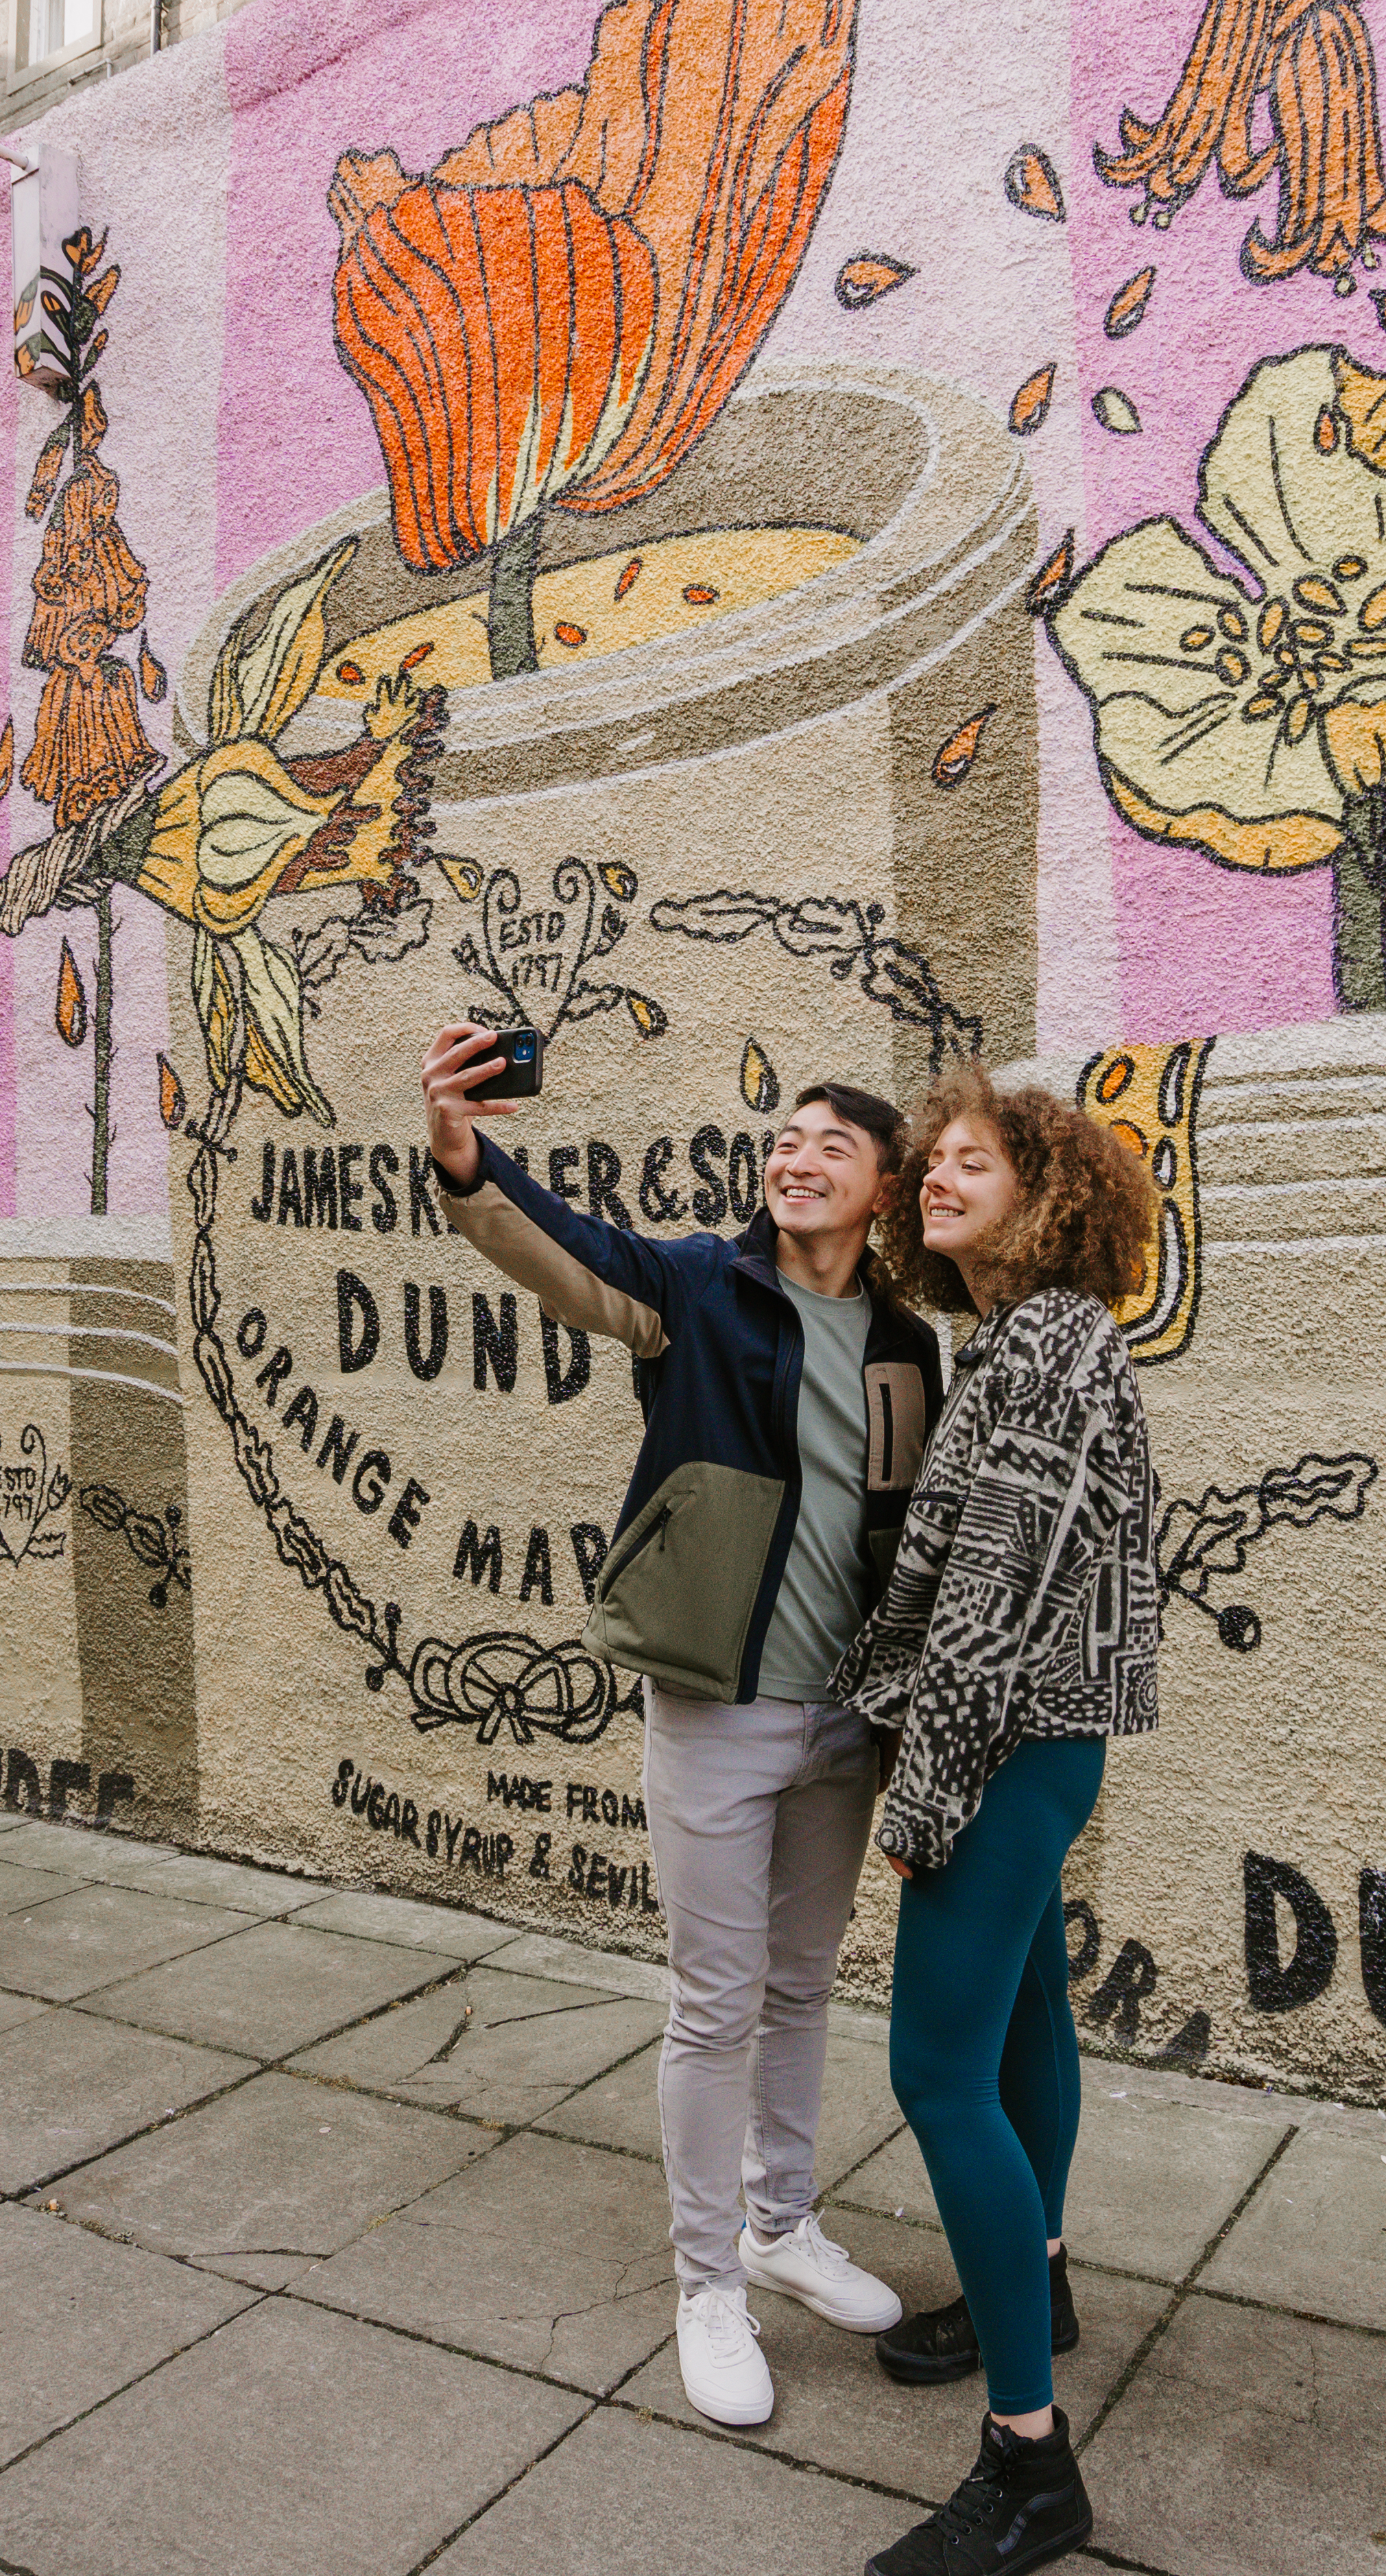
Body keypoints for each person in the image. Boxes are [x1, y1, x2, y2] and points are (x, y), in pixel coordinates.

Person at [420, 1026, 944, 2431]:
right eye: (784, 1137)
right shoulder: (704, 1291)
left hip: (843, 1719)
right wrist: (467, 1153)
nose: (798, 1154)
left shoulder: (906, 1344)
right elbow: (566, 1251)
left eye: (834, 1141)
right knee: (716, 1999)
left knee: (803, 1983)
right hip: (716, 1702)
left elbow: (903, 1536)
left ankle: (784, 2222)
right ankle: (706, 2278)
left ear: (881, 1187)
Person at [835, 1068, 1164, 2576]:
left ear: (1050, 1195)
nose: (935, 1179)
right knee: (1032, 2024)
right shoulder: (1022, 1339)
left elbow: (997, 1592)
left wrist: (930, 1785)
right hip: (1040, 1739)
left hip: (1008, 1743)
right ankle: (1034, 2275)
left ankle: (1031, 2465)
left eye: (974, 1162)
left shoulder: (1044, 1343)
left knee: (937, 2070)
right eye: (933, 1165)